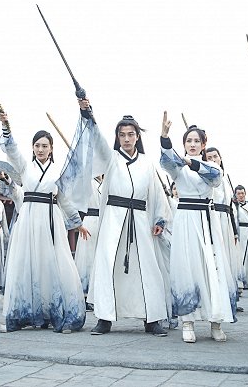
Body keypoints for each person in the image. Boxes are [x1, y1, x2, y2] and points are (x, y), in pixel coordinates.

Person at [65, 99, 170, 337]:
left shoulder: (147, 163)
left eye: (131, 134)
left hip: (141, 220)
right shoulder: (110, 158)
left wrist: (159, 219)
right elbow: (97, 138)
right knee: (107, 265)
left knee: (146, 268)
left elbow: (157, 194)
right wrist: (87, 112)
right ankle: (104, 318)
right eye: (122, 134)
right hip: (113, 218)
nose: (126, 139)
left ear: (137, 137)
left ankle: (151, 318)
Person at [0, 112, 89, 333]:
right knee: (25, 263)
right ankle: (20, 316)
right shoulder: (25, 166)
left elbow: (64, 200)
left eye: (45, 146)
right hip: (28, 219)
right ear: (32, 147)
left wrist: (77, 223)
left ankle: (60, 313)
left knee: (55, 264)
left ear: (51, 148)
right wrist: (6, 126)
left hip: (50, 218)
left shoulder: (59, 170)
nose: (40, 149)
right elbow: (11, 150)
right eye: (37, 145)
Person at [160, 112, 235, 343]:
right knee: (187, 267)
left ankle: (216, 321)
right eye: (188, 141)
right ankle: (188, 321)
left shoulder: (212, 167)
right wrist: (164, 138)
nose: (192, 145)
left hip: (207, 220)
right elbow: (166, 161)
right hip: (185, 219)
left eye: (196, 141)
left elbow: (214, 178)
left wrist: (192, 162)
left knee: (213, 267)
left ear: (204, 144)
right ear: (184, 144)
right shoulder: (177, 167)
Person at [204, 147, 243, 306]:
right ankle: (218, 298)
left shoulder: (226, 177)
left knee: (228, 259)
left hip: (227, 220)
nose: (213, 159)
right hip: (215, 218)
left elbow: (231, 208)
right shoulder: (207, 177)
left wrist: (234, 232)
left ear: (221, 158)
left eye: (215, 156)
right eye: (210, 157)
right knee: (217, 259)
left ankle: (230, 296)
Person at [74, 177, 103, 311]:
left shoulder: (106, 182)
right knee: (86, 258)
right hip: (89, 221)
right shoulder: (87, 182)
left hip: (103, 222)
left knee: (100, 258)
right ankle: (85, 295)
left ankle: (98, 294)